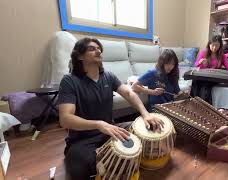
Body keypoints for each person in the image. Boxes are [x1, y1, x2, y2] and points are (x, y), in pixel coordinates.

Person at [58, 38, 164, 180]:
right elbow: (65, 119)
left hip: (111, 130)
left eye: (99, 48)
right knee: (80, 168)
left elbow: (129, 93)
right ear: (79, 56)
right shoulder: (70, 81)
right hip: (83, 138)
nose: (98, 51)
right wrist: (99, 124)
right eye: (92, 49)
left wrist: (146, 114)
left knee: (146, 129)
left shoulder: (108, 76)